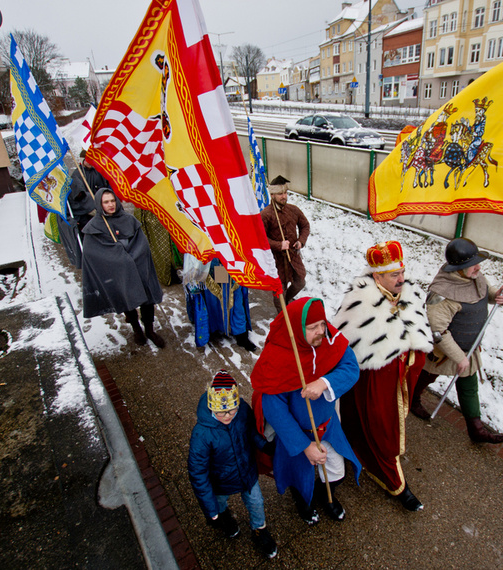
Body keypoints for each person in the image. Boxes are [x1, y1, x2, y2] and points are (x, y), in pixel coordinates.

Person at [332, 240, 433, 512]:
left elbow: (418, 334)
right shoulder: (358, 303)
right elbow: (342, 346)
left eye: (402, 272)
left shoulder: (410, 295)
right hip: (372, 389)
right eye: (394, 275)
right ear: (377, 276)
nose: (402, 279)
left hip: (398, 388)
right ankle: (396, 483)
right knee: (381, 431)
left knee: (387, 429)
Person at [250, 297, 361, 525]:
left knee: (337, 474)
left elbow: (350, 367)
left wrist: (324, 382)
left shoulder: (328, 339)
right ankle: (304, 503)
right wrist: (305, 446)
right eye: (312, 328)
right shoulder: (278, 356)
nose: (321, 331)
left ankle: (325, 497)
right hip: (298, 437)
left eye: (322, 323)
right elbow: (274, 408)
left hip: (328, 428)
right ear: (297, 330)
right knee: (299, 479)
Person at [411, 238, 503, 444]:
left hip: (469, 346)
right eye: (472, 264)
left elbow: (484, 292)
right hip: (442, 351)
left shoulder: (474, 276)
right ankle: (412, 398)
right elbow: (437, 331)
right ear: (459, 267)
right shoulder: (442, 292)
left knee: (468, 385)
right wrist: (458, 357)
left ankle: (476, 429)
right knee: (427, 376)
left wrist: (496, 295)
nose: (478, 267)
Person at [187, 370, 277, 559]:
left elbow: (251, 432)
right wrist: (209, 508)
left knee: (257, 503)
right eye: (221, 412)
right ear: (212, 407)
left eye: (231, 411)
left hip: (246, 473)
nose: (228, 416)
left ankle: (259, 529)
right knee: (219, 503)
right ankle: (223, 516)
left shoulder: (242, 411)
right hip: (220, 482)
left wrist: (264, 446)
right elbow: (198, 473)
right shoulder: (202, 434)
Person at [81, 188, 166, 348]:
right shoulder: (94, 227)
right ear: (100, 204)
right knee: (127, 299)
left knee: (147, 299)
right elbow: (92, 253)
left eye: (113, 201)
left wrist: (132, 256)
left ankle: (149, 330)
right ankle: (136, 329)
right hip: (118, 271)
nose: (111, 205)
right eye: (106, 202)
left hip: (138, 266)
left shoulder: (128, 219)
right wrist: (117, 255)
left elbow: (142, 243)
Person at [260, 176, 310, 309]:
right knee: (279, 292)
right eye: (280, 194)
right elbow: (261, 239)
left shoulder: (293, 210)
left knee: (300, 282)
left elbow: (305, 225)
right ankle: (282, 317)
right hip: (276, 261)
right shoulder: (266, 214)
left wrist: (301, 241)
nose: (284, 196)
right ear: (272, 195)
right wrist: (279, 245)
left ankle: (286, 302)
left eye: (285, 193)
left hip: (293, 257)